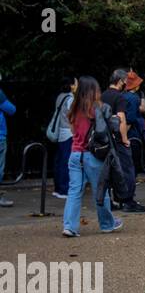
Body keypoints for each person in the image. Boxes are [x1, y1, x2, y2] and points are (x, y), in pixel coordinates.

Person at [60, 76, 123, 236]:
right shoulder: (98, 108)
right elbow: (107, 130)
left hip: (75, 154)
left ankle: (70, 226)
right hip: (92, 154)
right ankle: (107, 224)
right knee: (100, 190)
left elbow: (74, 132)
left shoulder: (73, 108)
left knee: (74, 191)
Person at [101, 68, 145, 212]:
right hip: (118, 138)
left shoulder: (103, 95)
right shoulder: (120, 97)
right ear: (120, 81)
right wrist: (125, 138)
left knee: (108, 171)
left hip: (105, 138)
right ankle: (127, 200)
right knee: (127, 169)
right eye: (125, 80)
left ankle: (111, 199)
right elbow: (122, 118)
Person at [48, 78, 77, 199]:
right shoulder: (70, 98)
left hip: (60, 132)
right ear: (71, 86)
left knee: (59, 160)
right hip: (68, 132)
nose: (77, 85)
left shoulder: (60, 96)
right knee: (66, 162)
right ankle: (64, 189)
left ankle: (58, 188)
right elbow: (72, 116)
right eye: (75, 83)